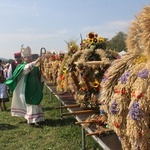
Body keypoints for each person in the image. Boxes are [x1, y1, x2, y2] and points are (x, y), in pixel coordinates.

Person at [5, 46, 45, 126]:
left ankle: (38, 118)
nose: (29, 58)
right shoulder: (22, 66)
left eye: (30, 57)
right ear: (24, 58)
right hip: (27, 88)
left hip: (35, 87)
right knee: (31, 102)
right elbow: (27, 69)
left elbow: (38, 74)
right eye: (27, 57)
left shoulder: (34, 66)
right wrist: (36, 61)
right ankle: (32, 120)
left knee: (36, 101)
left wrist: (41, 77)